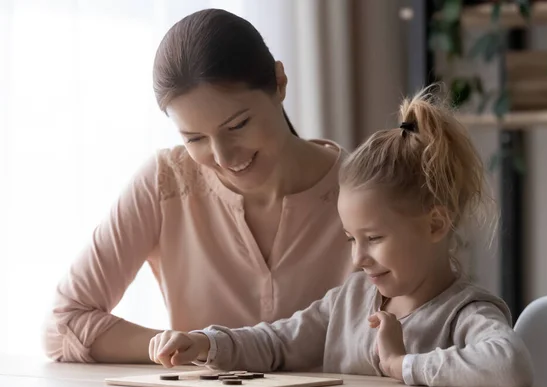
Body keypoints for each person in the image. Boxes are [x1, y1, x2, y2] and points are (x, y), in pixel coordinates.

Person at [148, 87, 534, 387]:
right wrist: (206, 344)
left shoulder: (464, 314)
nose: (358, 258)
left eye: (374, 238)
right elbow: (278, 343)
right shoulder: (349, 302)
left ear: (435, 225)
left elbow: (509, 365)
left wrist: (404, 366)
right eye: (351, 238)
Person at [42, 9, 353, 363]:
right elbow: (62, 326)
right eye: (194, 138)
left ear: (279, 82)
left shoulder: (366, 188)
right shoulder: (165, 182)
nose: (222, 156)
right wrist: (177, 346)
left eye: (238, 125)